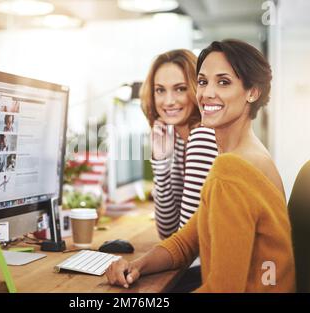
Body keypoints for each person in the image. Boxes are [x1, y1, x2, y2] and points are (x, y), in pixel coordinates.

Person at [107, 39, 296, 292]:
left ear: (253, 92)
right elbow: (186, 243)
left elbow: (223, 290)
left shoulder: (233, 170)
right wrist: (138, 265)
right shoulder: (241, 156)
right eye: (204, 82)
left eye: (224, 82)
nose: (206, 93)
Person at [141, 49, 218, 239]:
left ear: (196, 89)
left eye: (180, 89)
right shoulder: (179, 140)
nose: (168, 101)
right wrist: (161, 161)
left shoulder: (203, 137)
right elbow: (168, 230)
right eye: (160, 90)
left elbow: (186, 241)